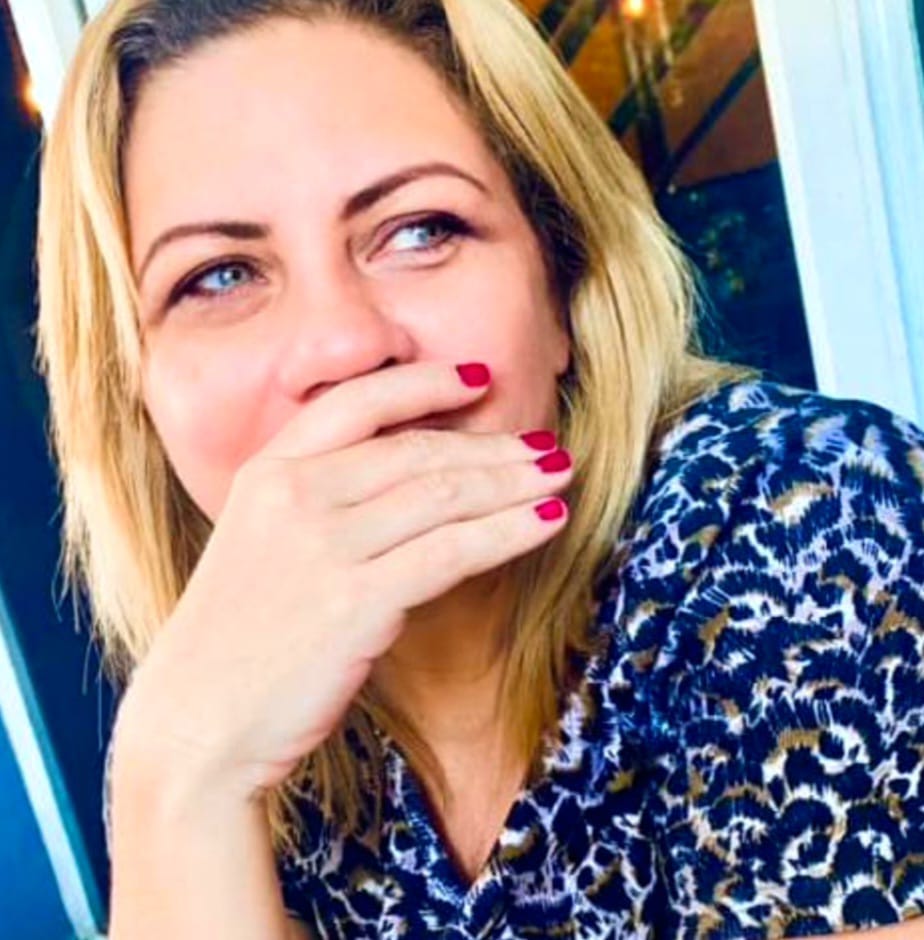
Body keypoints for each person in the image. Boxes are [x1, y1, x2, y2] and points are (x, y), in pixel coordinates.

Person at [33, 0, 924, 937]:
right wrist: (179, 772)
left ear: (564, 290)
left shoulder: (807, 510)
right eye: (219, 276)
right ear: (135, 391)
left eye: (422, 229)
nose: (343, 345)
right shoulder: (214, 712)